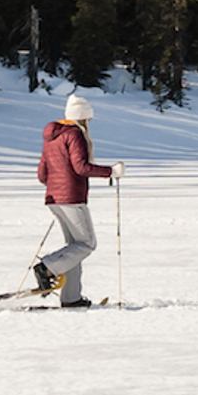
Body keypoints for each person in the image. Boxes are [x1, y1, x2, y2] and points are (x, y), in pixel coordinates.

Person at [32, 94, 123, 307]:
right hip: (72, 197)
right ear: (82, 118)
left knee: (73, 248)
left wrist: (58, 187)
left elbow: (42, 175)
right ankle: (47, 267)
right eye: (88, 120)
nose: (89, 124)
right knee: (86, 244)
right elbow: (81, 167)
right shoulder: (74, 134)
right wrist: (111, 172)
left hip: (54, 198)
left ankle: (71, 297)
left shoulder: (52, 137)